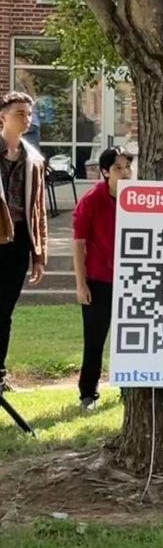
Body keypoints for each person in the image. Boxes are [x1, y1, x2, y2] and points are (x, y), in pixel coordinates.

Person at [72, 146, 134, 411]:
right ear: (106, 172)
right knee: (95, 340)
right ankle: (88, 394)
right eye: (118, 168)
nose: (125, 173)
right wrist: (81, 284)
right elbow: (78, 244)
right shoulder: (91, 200)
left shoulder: (138, 199)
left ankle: (129, 390)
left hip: (131, 281)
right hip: (99, 280)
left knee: (130, 340)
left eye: (128, 167)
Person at [0, 91, 48, 393]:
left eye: (29, 114)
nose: (26, 119)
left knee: (4, 310)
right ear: (3, 117)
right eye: (20, 113)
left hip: (17, 243)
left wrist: (39, 254)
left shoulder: (34, 160)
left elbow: (38, 210)